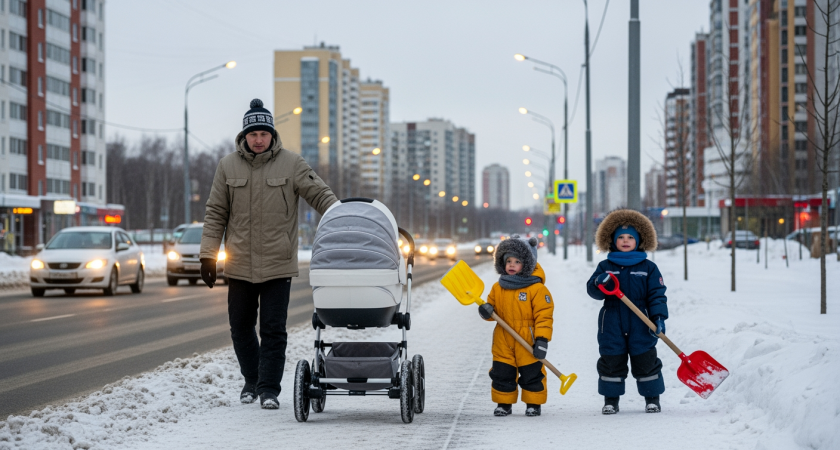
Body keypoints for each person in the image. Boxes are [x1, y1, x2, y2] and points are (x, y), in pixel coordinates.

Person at [199, 99, 338, 409]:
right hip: (239, 264)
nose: (258, 139)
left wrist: (345, 218)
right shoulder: (227, 166)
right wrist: (209, 254)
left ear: (272, 134)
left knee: (273, 330)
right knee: (240, 327)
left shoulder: (292, 163)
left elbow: (321, 196)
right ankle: (251, 379)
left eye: (263, 133)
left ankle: (268, 390)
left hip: (278, 264)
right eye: (253, 134)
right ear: (244, 136)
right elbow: (216, 212)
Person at [585, 209, 667, 414]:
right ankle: (611, 400)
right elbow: (593, 291)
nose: (625, 240)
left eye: (630, 237)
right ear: (612, 241)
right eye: (620, 237)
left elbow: (657, 294)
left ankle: (652, 399)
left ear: (639, 241)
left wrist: (658, 317)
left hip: (641, 320)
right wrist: (598, 283)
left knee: (645, 359)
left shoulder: (648, 267)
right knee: (611, 360)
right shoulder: (606, 266)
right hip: (612, 319)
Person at [477, 235, 554, 417]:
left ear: (527, 263)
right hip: (503, 338)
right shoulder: (499, 287)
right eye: (508, 261)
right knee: (502, 373)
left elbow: (544, 316)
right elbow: (492, 313)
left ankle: (533, 404)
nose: (511, 265)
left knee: (532, 374)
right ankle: (504, 403)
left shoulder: (537, 289)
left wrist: (542, 340)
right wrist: (485, 311)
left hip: (528, 338)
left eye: (517, 261)